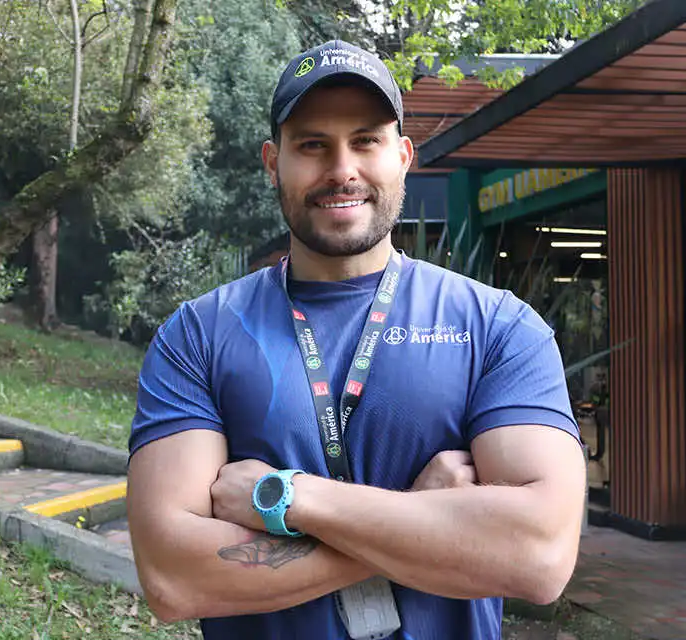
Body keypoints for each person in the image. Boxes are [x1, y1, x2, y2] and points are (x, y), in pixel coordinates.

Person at [127, 39, 585, 640]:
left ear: (403, 156)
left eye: (365, 140)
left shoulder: (498, 327)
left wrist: (287, 498)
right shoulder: (198, 336)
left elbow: (539, 557)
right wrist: (427, 516)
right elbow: (174, 576)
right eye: (312, 144)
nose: (341, 168)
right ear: (273, 162)